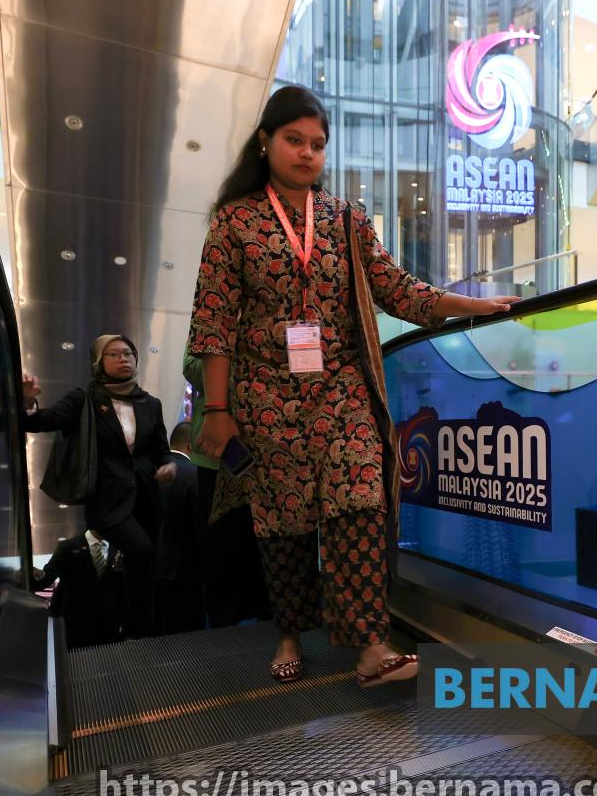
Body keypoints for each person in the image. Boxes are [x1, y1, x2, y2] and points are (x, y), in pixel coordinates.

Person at [188, 85, 519, 687]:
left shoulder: (345, 219)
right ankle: (290, 632)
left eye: (317, 144)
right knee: (284, 523)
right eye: (294, 140)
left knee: (361, 504)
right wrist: (217, 409)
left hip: (341, 391)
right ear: (265, 142)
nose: (307, 153)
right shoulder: (234, 222)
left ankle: (369, 646)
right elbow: (213, 319)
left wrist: (471, 305)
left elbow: (397, 289)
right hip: (266, 397)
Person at [21, 335, 176, 637]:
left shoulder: (150, 403)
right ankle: (140, 630)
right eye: (113, 354)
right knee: (140, 550)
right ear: (98, 362)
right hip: (107, 502)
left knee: (145, 562)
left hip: (146, 497)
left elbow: (161, 449)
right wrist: (27, 401)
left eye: (128, 353)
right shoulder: (85, 399)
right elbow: (43, 421)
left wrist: (168, 465)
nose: (123, 359)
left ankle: (142, 630)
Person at [182, 346, 273, 627]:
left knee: (270, 544)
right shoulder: (210, 323)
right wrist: (244, 361)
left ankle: (274, 621)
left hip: (273, 453)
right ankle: (225, 628)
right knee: (221, 546)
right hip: (219, 455)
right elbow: (191, 368)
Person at [153, 422, 207, 634]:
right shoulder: (194, 474)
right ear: (191, 446)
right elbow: (199, 526)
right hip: (186, 570)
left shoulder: (152, 470)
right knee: (188, 636)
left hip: (150, 565)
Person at [32, 529, 126, 648]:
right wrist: (36, 575)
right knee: (78, 658)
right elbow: (48, 577)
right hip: (76, 622)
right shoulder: (68, 546)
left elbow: (121, 587)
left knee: (109, 658)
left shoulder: (117, 547)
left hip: (109, 623)